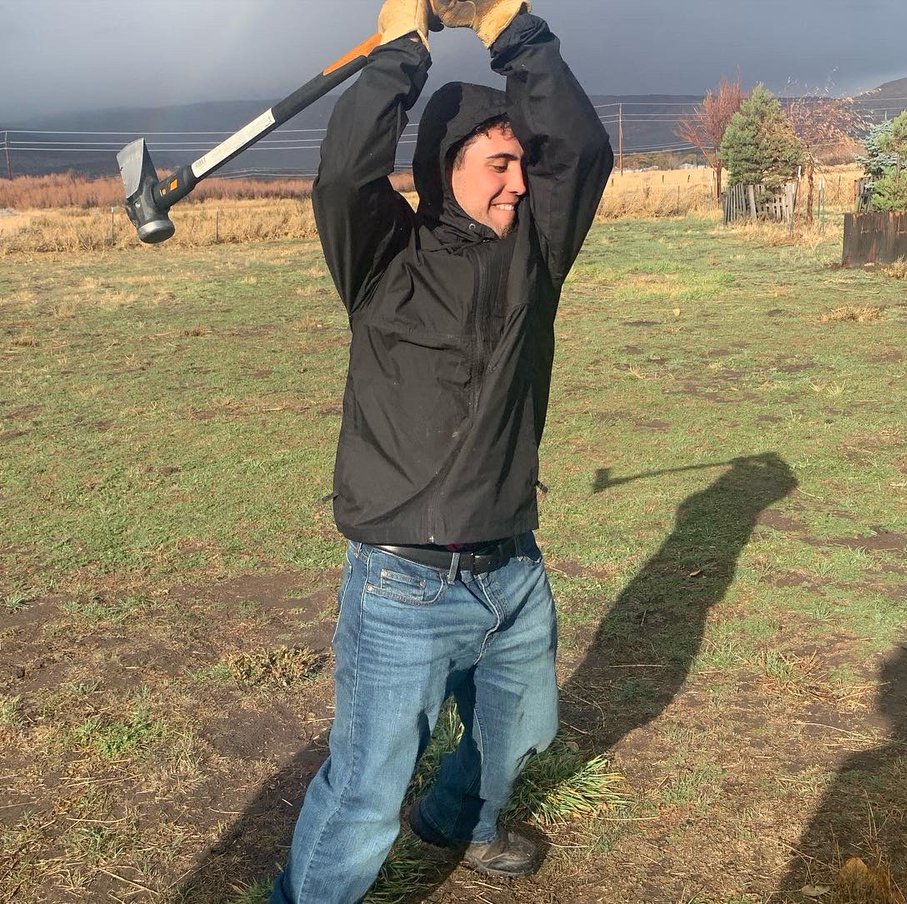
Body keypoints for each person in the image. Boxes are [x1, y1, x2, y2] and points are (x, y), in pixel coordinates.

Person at [269, 0, 613, 900]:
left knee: (523, 736)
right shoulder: (384, 253)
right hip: (403, 583)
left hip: (511, 569)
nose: (516, 183)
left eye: (521, 167)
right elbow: (345, 172)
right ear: (443, 165)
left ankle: (456, 819)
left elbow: (581, 152)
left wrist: (513, 28)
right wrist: (399, 54)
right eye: (498, 164)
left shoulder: (537, 253)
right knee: (363, 794)